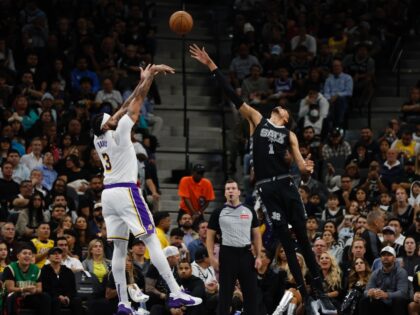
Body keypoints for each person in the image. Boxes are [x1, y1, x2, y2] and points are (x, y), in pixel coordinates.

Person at [190, 44, 336, 315]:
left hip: (286, 184)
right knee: (285, 240)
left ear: (286, 117)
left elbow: (303, 170)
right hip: (267, 189)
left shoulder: (289, 135)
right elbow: (233, 96)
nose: (281, 109)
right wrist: (212, 66)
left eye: (285, 111)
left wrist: (308, 170)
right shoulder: (257, 120)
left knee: (303, 238)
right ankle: (304, 290)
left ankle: (319, 290)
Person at [91, 63, 201, 315]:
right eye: (111, 118)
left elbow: (123, 107)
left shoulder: (99, 137)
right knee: (151, 239)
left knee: (119, 249)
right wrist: (149, 78)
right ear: (109, 124)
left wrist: (142, 79)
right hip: (126, 190)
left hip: (108, 195)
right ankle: (174, 292)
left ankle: (123, 303)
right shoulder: (120, 132)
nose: (115, 116)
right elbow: (136, 102)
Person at [206, 179, 262, 315]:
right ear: (225, 193)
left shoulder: (249, 210)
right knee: (225, 294)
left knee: (251, 294)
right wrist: (212, 257)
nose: (230, 191)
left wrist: (259, 256)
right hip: (227, 254)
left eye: (233, 188)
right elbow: (210, 237)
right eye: (227, 189)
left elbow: (256, 235)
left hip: (246, 254)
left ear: (238, 192)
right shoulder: (218, 212)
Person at [3, 243, 51, 315]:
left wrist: (35, 290)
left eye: (29, 254)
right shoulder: (10, 268)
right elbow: (10, 289)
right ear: (18, 256)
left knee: (45, 296)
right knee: (12, 296)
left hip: (29, 297)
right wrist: (24, 289)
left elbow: (39, 288)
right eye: (24, 253)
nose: (27, 256)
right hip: (15, 297)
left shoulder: (36, 269)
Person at [359, 246, 409, 315]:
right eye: (383, 255)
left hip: (395, 303)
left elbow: (402, 293)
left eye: (389, 255)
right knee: (364, 300)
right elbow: (366, 291)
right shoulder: (375, 273)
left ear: (394, 258)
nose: (385, 257)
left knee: (399, 300)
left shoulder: (401, 272)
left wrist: (386, 295)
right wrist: (370, 293)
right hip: (381, 303)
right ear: (380, 258)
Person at [41, 247, 83, 315]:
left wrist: (68, 296)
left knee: (77, 300)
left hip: (66, 297)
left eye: (59, 253)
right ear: (48, 257)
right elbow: (45, 288)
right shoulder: (44, 270)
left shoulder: (68, 271)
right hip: (52, 296)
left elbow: (72, 288)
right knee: (55, 300)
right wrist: (58, 296)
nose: (57, 255)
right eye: (54, 254)